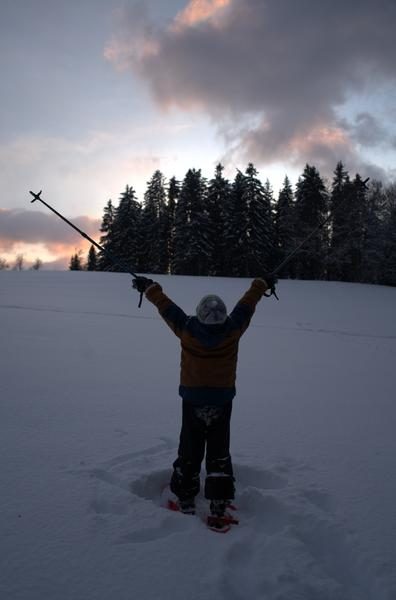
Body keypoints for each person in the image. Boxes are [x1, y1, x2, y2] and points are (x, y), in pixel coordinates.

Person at [132, 275, 276, 519]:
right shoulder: (233, 328)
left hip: (193, 400)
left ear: (199, 313)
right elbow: (247, 303)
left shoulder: (188, 329)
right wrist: (261, 283)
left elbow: (166, 306)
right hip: (222, 401)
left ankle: (185, 497)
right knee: (219, 450)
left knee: (190, 448)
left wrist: (150, 288)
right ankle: (219, 502)